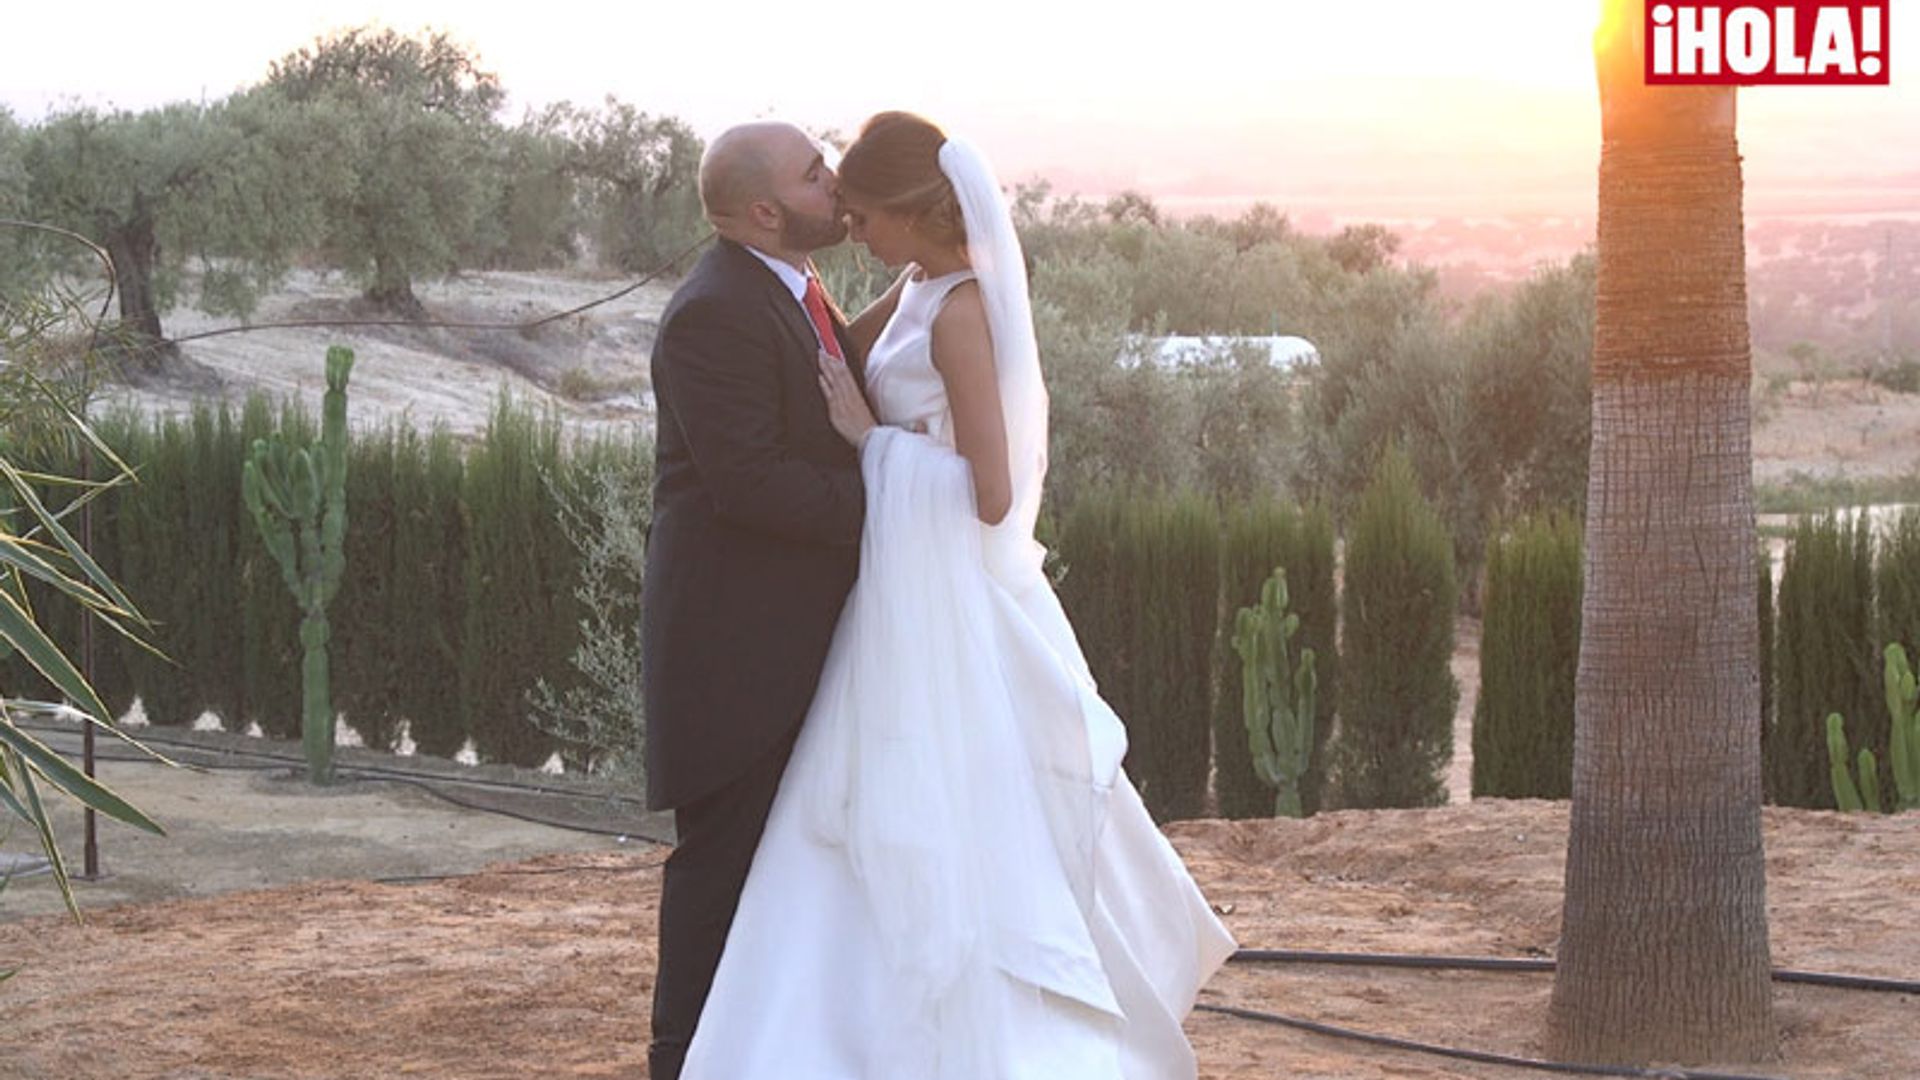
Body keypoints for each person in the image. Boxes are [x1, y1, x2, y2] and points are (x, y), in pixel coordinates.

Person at [679, 111, 1236, 1079]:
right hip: (896, 604)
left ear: (911, 211)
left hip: (948, 610)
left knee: (949, 821)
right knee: (851, 825)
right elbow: (830, 359)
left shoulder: (966, 311)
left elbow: (991, 492)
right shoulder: (914, 283)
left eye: (861, 209)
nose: (849, 221)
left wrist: (872, 446)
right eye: (826, 192)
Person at [640, 120, 914, 1080]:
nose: (833, 183)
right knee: (721, 869)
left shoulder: (784, 286)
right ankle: (678, 1063)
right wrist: (893, 507)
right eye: (813, 173)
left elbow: (829, 361)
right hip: (735, 657)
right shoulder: (713, 311)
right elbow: (749, 482)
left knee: (787, 870)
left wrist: (923, 279)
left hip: (792, 642)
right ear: (764, 210)